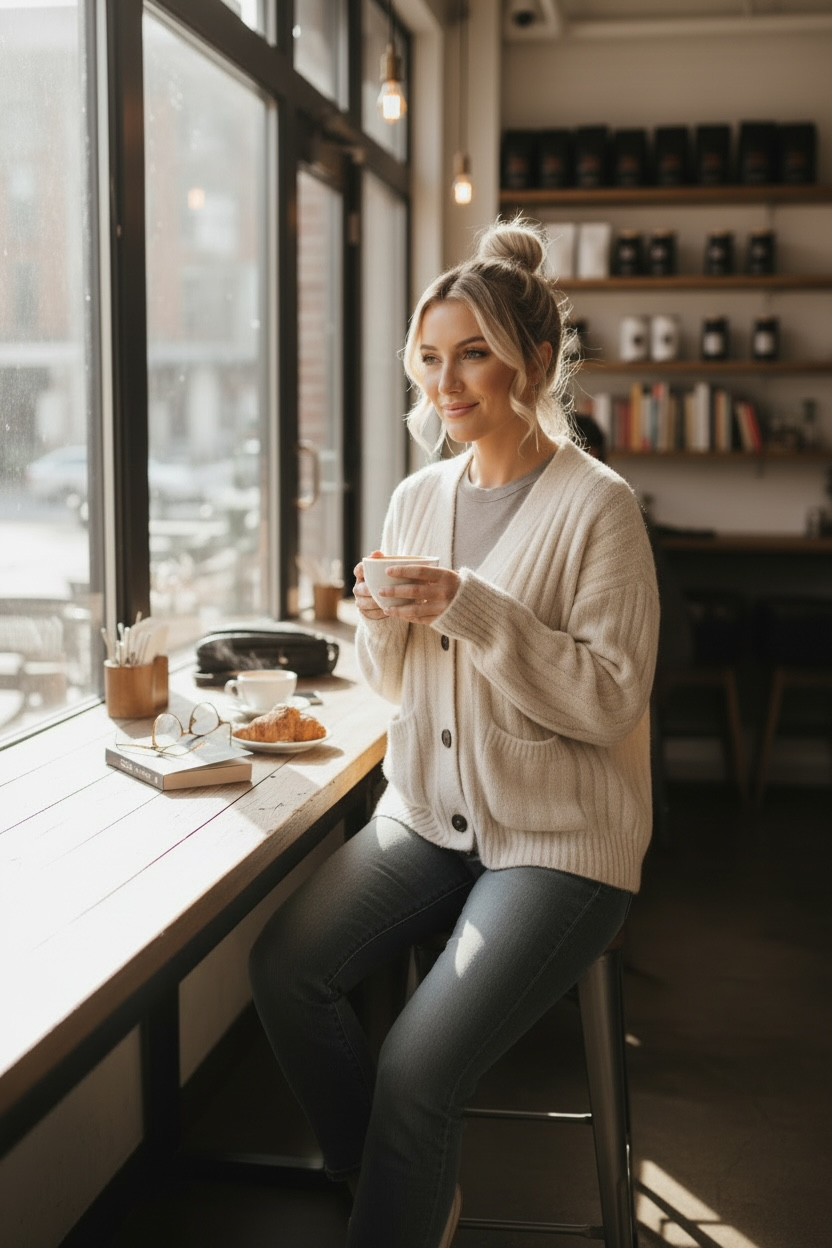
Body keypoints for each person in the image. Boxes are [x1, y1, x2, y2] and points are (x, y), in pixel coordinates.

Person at [249, 218, 660, 1248]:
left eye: (471, 353)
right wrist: (378, 620)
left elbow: (610, 698)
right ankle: (385, 1184)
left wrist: (469, 606)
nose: (448, 381)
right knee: (284, 971)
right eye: (431, 358)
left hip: (559, 845)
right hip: (429, 821)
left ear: (529, 358)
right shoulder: (417, 495)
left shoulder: (597, 509)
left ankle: (395, 1206)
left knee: (416, 1065)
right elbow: (399, 688)